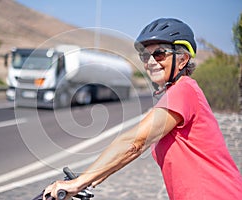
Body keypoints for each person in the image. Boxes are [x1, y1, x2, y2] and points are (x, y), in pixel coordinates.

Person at [43, 18, 242, 200]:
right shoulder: (175, 95)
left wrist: (78, 183)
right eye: (145, 56)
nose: (151, 62)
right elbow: (134, 148)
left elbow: (135, 142)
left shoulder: (184, 90)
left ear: (182, 59)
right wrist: (89, 180)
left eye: (159, 54)